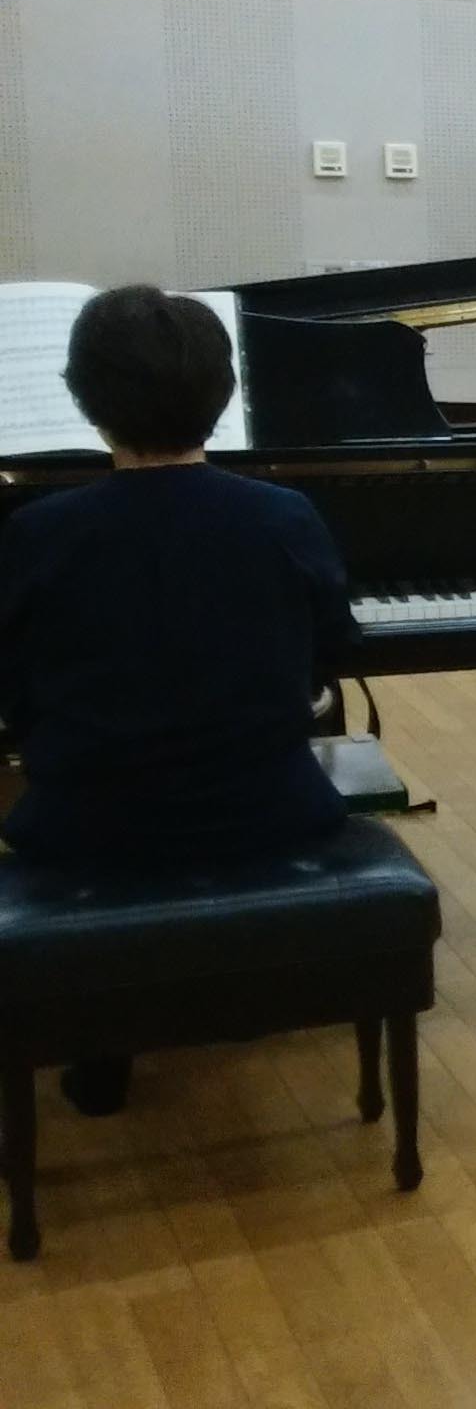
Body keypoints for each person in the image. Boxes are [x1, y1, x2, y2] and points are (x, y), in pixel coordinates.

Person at [0, 288, 353, 1118]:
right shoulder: (284, 516)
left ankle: (99, 1039)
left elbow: (16, 692)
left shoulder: (39, 533)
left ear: (86, 401)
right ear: (225, 393)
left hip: (87, 828)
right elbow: (333, 653)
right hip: (268, 813)